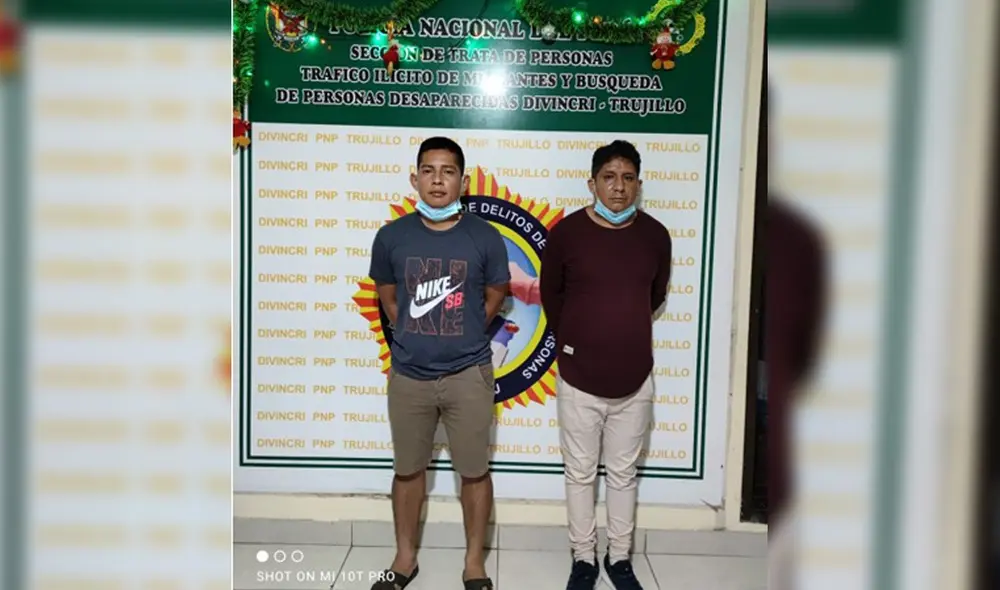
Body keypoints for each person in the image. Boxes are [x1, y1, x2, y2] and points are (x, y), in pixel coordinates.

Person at [367, 137, 510, 590]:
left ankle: (474, 564)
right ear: (415, 178)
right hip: (409, 376)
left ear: (463, 182)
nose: (437, 180)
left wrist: (466, 329)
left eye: (448, 171)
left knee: (475, 472)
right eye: (428, 170)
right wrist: (414, 330)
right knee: (408, 471)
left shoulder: (484, 237)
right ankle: (404, 559)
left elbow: (496, 294)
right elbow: (389, 297)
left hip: (469, 374)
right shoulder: (391, 236)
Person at [540, 140, 672, 590]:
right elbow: (551, 295)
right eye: (609, 177)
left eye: (628, 178)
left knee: (623, 475)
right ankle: (583, 559)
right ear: (591, 183)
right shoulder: (567, 234)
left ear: (638, 184)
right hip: (578, 378)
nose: (619, 187)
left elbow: (655, 294)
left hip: (635, 379)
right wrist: (577, 341)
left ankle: (619, 559)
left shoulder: (656, 236)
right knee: (579, 474)